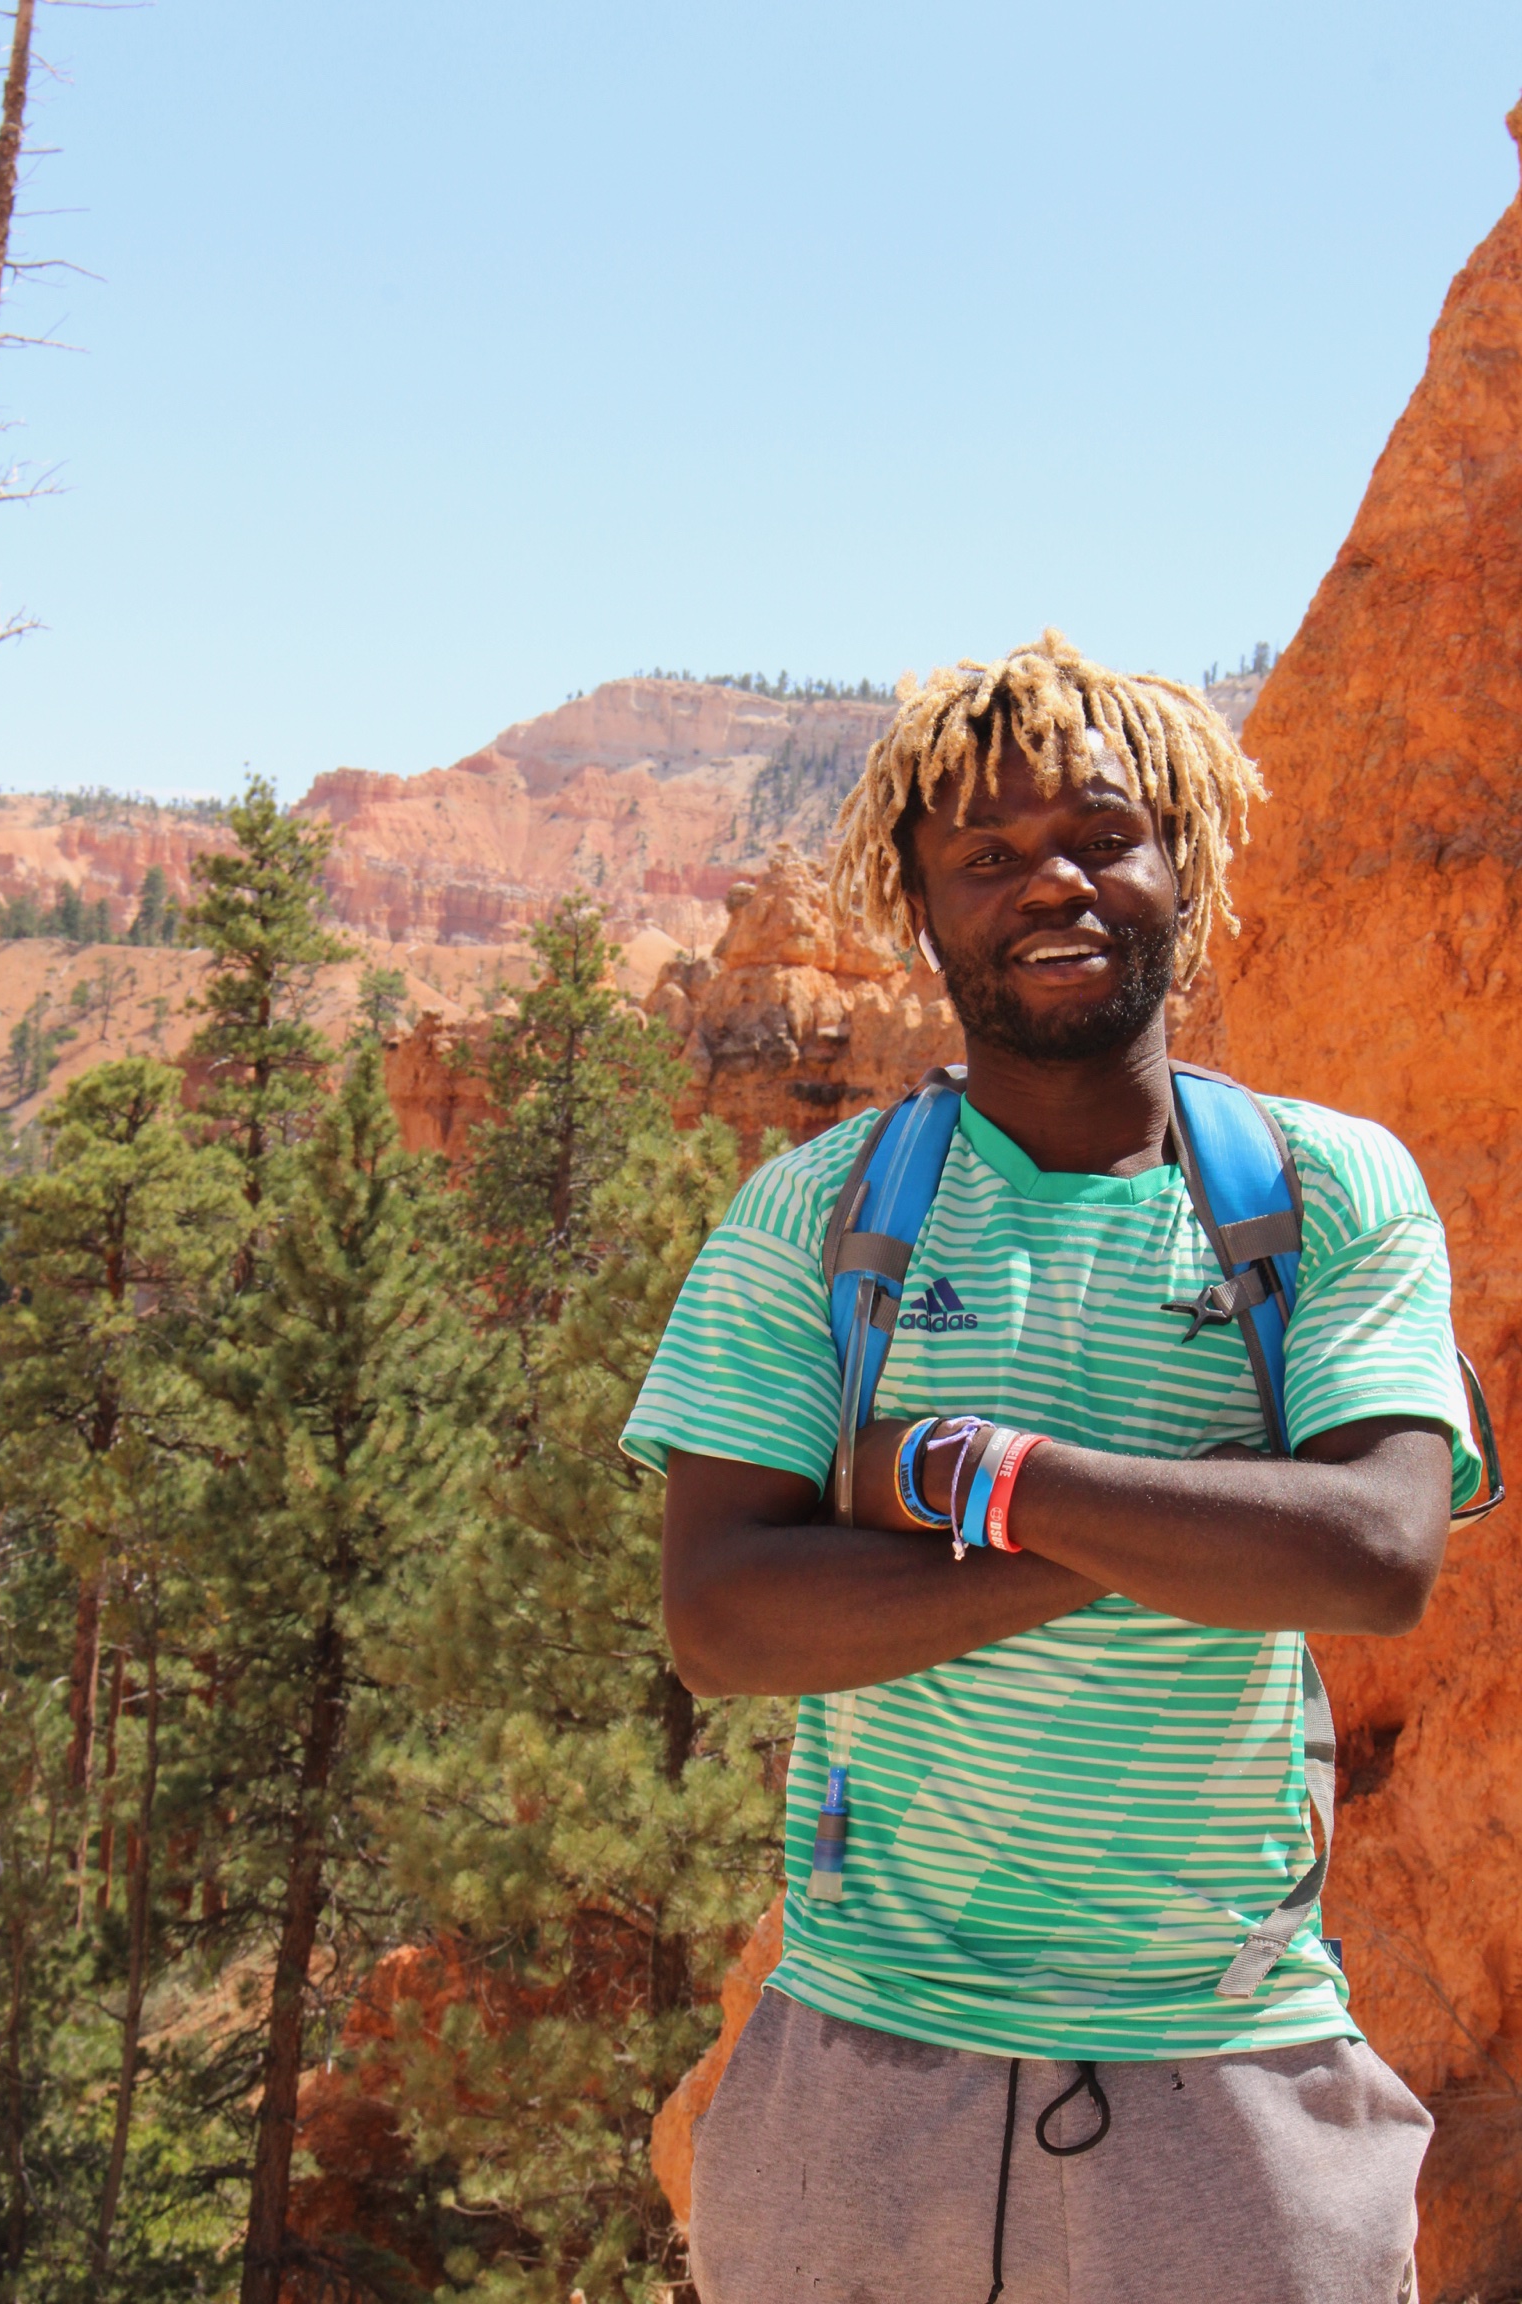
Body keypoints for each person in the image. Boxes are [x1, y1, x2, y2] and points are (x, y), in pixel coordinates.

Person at [621, 631, 1479, 2304]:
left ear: (1185, 862)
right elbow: (723, 1619)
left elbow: (1377, 1554)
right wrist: (1190, 1516)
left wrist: (964, 1472)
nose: (1053, 883)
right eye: (989, 854)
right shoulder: (813, 1216)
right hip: (861, 2075)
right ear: (921, 903)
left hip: (1229, 2074)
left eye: (1102, 835)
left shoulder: (1326, 1189)